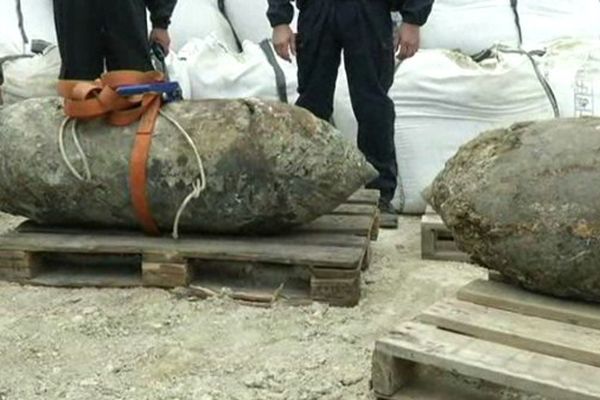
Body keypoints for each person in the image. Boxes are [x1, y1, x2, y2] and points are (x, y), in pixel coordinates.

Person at [267, 0, 433, 214]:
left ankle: (379, 197)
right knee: (312, 104)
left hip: (369, 11)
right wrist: (279, 20)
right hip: (317, 10)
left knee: (372, 104)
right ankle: (307, 189)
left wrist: (413, 19)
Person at [53, 0, 178, 80]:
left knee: (134, 91)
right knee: (79, 94)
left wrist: (160, 22)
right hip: (76, 16)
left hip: (125, 16)